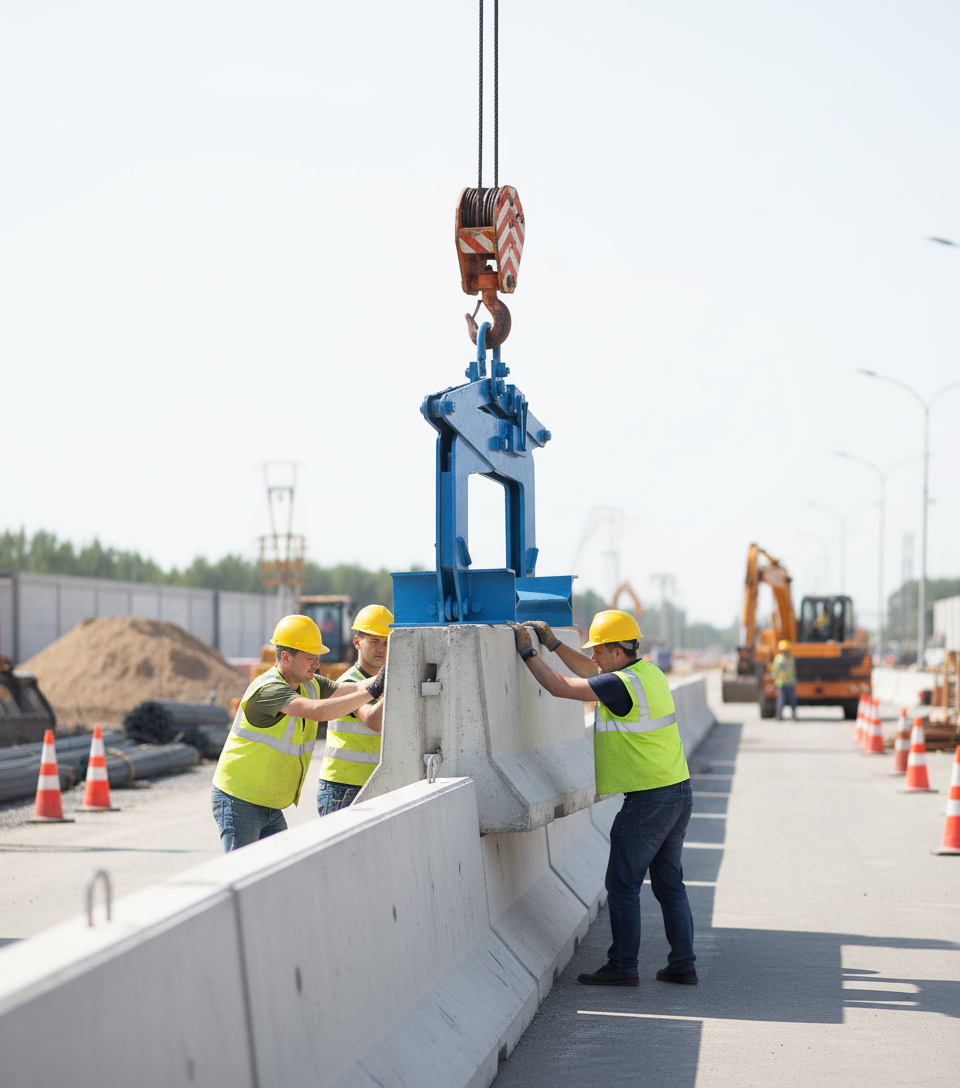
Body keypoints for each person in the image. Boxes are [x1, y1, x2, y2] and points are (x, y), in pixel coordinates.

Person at [507, 610, 697, 987]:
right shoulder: (649, 674)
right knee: (669, 885)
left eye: (598, 650)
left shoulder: (620, 684)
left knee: (622, 884)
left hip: (648, 800)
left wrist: (528, 652)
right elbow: (591, 672)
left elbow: (561, 687)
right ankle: (683, 965)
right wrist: (554, 644)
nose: (592, 656)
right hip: (678, 791)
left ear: (617, 652)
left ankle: (623, 966)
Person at [211, 614, 384, 852]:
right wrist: (374, 690)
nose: (316, 664)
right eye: (310, 658)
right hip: (239, 799)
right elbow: (317, 711)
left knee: (279, 869)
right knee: (242, 870)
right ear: (286, 657)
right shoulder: (269, 688)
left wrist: (389, 674)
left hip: (269, 804)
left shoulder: (309, 684)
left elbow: (353, 687)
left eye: (317, 658)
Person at [317, 604, 392, 815]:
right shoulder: (349, 682)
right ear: (357, 642)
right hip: (343, 788)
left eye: (387, 642)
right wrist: (395, 684)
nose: (382, 649)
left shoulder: (386, 681)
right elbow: (373, 721)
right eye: (374, 641)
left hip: (374, 782)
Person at [772, 639, 797, 721]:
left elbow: (793, 670)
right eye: (784, 650)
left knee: (792, 700)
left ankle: (793, 715)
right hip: (781, 683)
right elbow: (775, 671)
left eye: (786, 650)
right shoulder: (778, 659)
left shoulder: (791, 659)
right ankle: (779, 715)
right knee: (781, 700)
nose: (785, 652)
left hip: (790, 682)